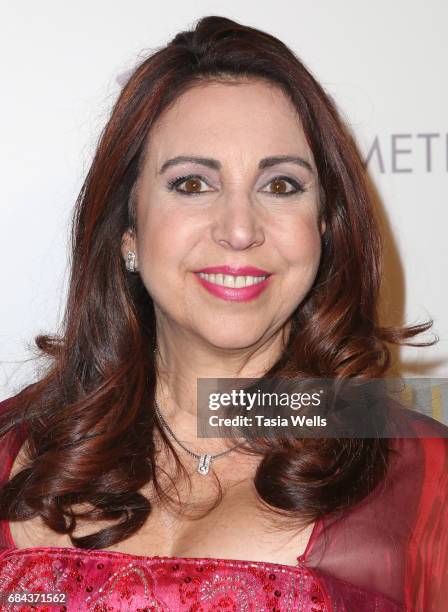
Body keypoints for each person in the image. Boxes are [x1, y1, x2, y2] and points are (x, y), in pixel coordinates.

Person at [0, 15, 447, 612]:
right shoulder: (11, 443)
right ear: (128, 231)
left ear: (324, 228)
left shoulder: (428, 479)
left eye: (281, 186)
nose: (239, 230)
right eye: (191, 184)